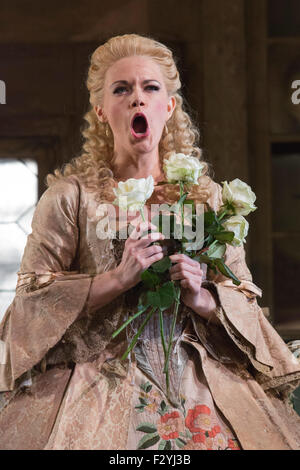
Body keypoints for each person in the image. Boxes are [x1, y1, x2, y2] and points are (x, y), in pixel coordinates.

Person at [0, 33, 300, 451]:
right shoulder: (72, 197)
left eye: (150, 88)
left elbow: (243, 297)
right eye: (122, 89)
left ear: (168, 107)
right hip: (96, 383)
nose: (137, 100)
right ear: (102, 111)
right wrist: (117, 280)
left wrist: (203, 297)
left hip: (198, 384)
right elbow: (31, 301)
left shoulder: (205, 197)